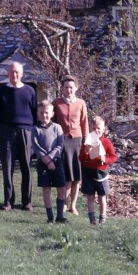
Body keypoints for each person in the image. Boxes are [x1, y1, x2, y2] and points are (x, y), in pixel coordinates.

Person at [0, 61, 37, 211]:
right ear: (7, 74)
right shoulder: (1, 91)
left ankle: (26, 202)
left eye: (17, 72)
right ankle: (8, 201)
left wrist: (31, 132)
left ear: (22, 74)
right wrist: (0, 131)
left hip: (25, 132)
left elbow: (35, 113)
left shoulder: (30, 91)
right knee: (7, 168)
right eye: (12, 72)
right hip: (6, 132)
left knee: (26, 168)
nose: (14, 75)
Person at [52, 75, 88, 216]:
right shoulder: (56, 103)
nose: (69, 90)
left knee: (77, 176)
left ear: (76, 88)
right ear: (62, 88)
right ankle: (63, 203)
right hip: (63, 142)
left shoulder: (81, 103)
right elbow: (53, 123)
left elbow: (84, 123)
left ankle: (73, 205)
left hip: (77, 141)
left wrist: (86, 142)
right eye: (66, 87)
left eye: (71, 87)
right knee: (66, 176)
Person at [32, 100, 68, 223]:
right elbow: (36, 147)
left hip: (57, 161)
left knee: (61, 189)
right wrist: (47, 161)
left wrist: (51, 158)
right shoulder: (35, 129)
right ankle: (50, 217)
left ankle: (60, 216)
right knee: (46, 189)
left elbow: (60, 145)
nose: (44, 116)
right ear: (38, 113)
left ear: (52, 114)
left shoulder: (57, 128)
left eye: (47, 113)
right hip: (42, 162)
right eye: (41, 113)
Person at [78, 115, 117, 225]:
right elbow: (81, 158)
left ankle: (102, 219)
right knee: (90, 196)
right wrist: (86, 151)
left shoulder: (106, 142)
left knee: (102, 196)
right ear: (90, 128)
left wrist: (105, 159)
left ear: (103, 128)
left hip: (101, 172)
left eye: (99, 128)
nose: (96, 130)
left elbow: (113, 157)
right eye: (94, 128)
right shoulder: (87, 141)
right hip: (88, 172)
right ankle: (92, 219)